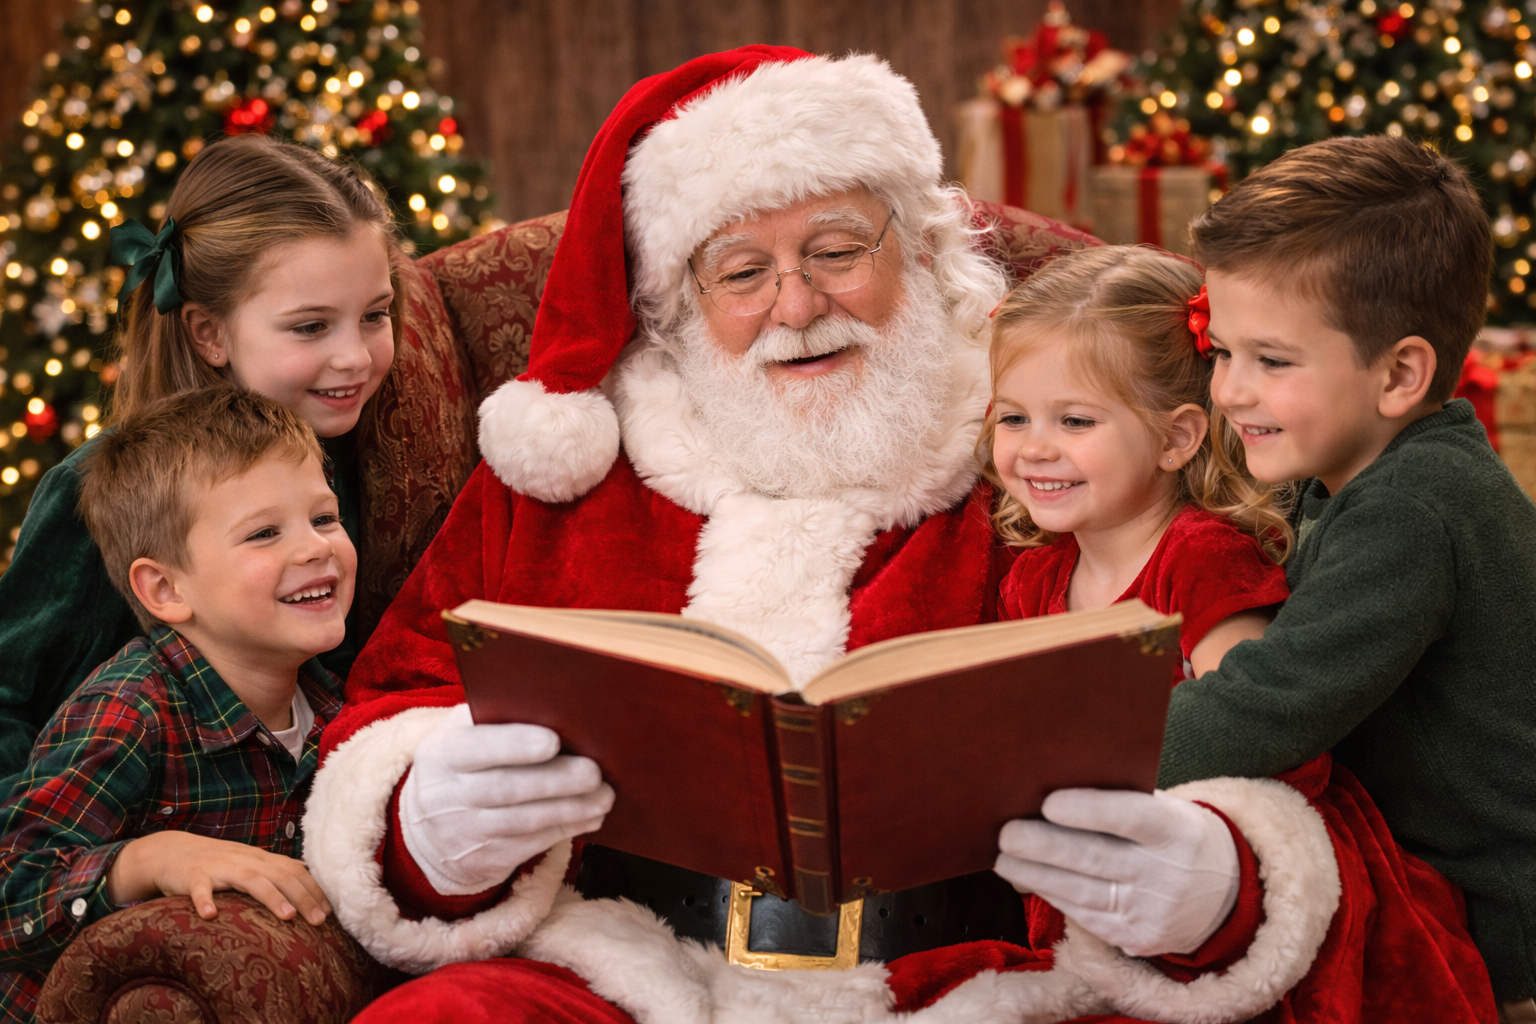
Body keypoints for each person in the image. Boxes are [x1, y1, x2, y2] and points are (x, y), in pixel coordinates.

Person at [303, 49, 1495, 1023]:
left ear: (922, 249)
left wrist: (1216, 883)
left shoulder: (1051, 443)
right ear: (677, 305)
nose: (799, 303)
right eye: (742, 271)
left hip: (971, 983)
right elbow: (391, 698)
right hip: (618, 966)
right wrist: (425, 818)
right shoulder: (564, 475)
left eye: (836, 250)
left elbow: (1262, 725)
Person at [1145, 135, 1536, 1017]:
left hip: (1505, 941)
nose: (1230, 393)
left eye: (1272, 361)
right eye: (1224, 351)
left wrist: (1070, 756)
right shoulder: (1349, 476)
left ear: (1400, 373)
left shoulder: (1415, 510)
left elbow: (1269, 705)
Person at [0, 133, 407, 781]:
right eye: (310, 326)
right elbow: (10, 701)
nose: (355, 357)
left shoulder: (364, 452)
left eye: (375, 315)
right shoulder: (97, 491)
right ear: (210, 333)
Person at [0, 386, 347, 1022]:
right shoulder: (128, 710)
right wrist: (148, 858)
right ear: (164, 588)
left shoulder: (336, 710)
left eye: (323, 518)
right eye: (265, 533)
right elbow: (10, 896)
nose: (317, 546)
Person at [983, 244, 1290, 680]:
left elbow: (1246, 725)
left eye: (1074, 420)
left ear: (1175, 437)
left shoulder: (1203, 562)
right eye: (1014, 418)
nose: (1034, 449)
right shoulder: (1030, 582)